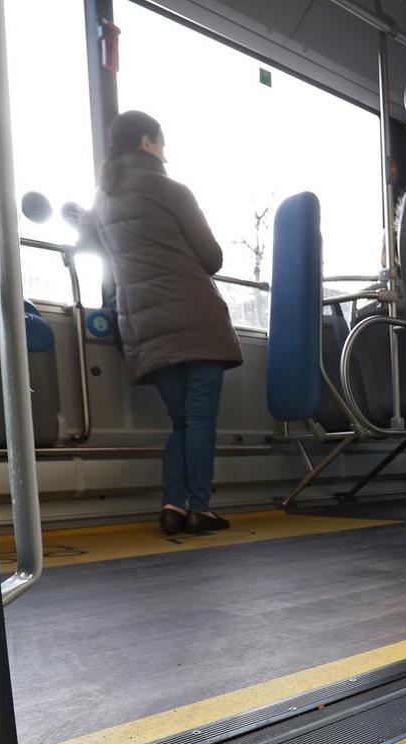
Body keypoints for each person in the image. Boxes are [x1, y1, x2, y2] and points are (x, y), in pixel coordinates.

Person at [78, 111, 242, 535]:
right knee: (201, 420)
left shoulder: (101, 202)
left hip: (143, 328)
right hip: (195, 321)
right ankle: (199, 508)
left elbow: (93, 250)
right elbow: (212, 257)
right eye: (162, 141)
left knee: (181, 422)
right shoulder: (171, 189)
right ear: (148, 143)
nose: (164, 149)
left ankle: (172, 505)